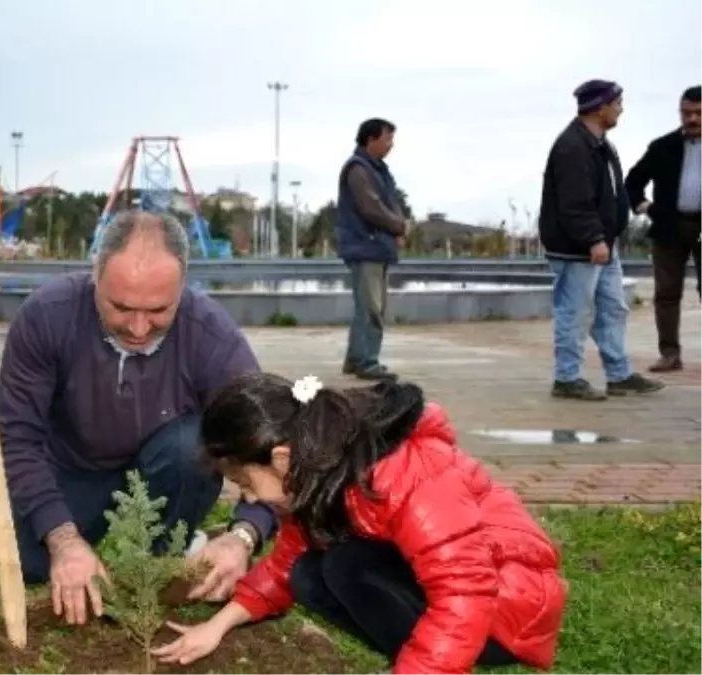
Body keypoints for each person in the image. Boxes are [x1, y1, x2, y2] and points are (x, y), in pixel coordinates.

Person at [151, 373, 568, 673]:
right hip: (460, 598)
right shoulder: (316, 472)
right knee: (307, 572)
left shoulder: (404, 473)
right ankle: (421, 659)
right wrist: (216, 627)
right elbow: (283, 566)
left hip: (507, 608)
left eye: (245, 482)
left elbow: (466, 594)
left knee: (344, 565)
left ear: (280, 457)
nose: (248, 498)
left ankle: (429, 664)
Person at [0, 210, 277, 625]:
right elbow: (18, 436)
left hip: (166, 467)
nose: (139, 328)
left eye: (158, 310)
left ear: (182, 287)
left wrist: (244, 536)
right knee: (14, 558)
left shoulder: (212, 336)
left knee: (193, 445)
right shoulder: (46, 316)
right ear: (94, 277)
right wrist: (62, 538)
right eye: (120, 307)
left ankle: (166, 556)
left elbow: (268, 448)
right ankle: (86, 545)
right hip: (74, 469)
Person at [537, 79, 664, 400]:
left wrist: (606, 237)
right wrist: (593, 238)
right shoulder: (573, 147)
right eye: (617, 102)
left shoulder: (600, 143)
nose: (621, 108)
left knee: (612, 309)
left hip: (603, 244)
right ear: (599, 107)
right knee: (575, 313)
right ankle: (567, 379)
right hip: (579, 248)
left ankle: (619, 375)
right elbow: (574, 202)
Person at [624, 85, 702, 372]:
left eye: (698, 113)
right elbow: (632, 182)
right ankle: (669, 354)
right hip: (670, 227)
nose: (692, 119)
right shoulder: (662, 147)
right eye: (686, 113)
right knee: (666, 293)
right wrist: (647, 208)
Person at [335, 118, 411, 382]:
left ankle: (356, 359)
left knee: (366, 308)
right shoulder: (359, 169)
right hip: (365, 246)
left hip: (376, 247)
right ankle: (367, 362)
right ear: (371, 139)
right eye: (387, 139)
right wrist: (398, 226)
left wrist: (399, 227)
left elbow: (391, 201)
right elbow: (372, 208)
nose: (391, 145)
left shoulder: (378, 170)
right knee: (371, 308)